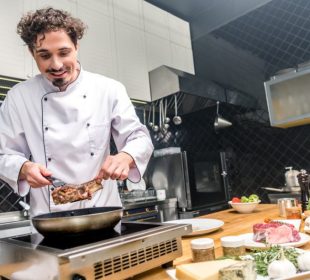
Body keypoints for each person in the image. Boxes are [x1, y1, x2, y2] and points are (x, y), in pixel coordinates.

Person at [0, 7, 153, 217]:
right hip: (49, 217)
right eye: (44, 55)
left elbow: (140, 139)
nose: (56, 64)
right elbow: (4, 154)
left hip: (103, 210)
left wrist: (126, 156)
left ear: (76, 46)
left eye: (64, 53)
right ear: (31, 52)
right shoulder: (18, 97)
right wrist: (24, 168)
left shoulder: (109, 89)